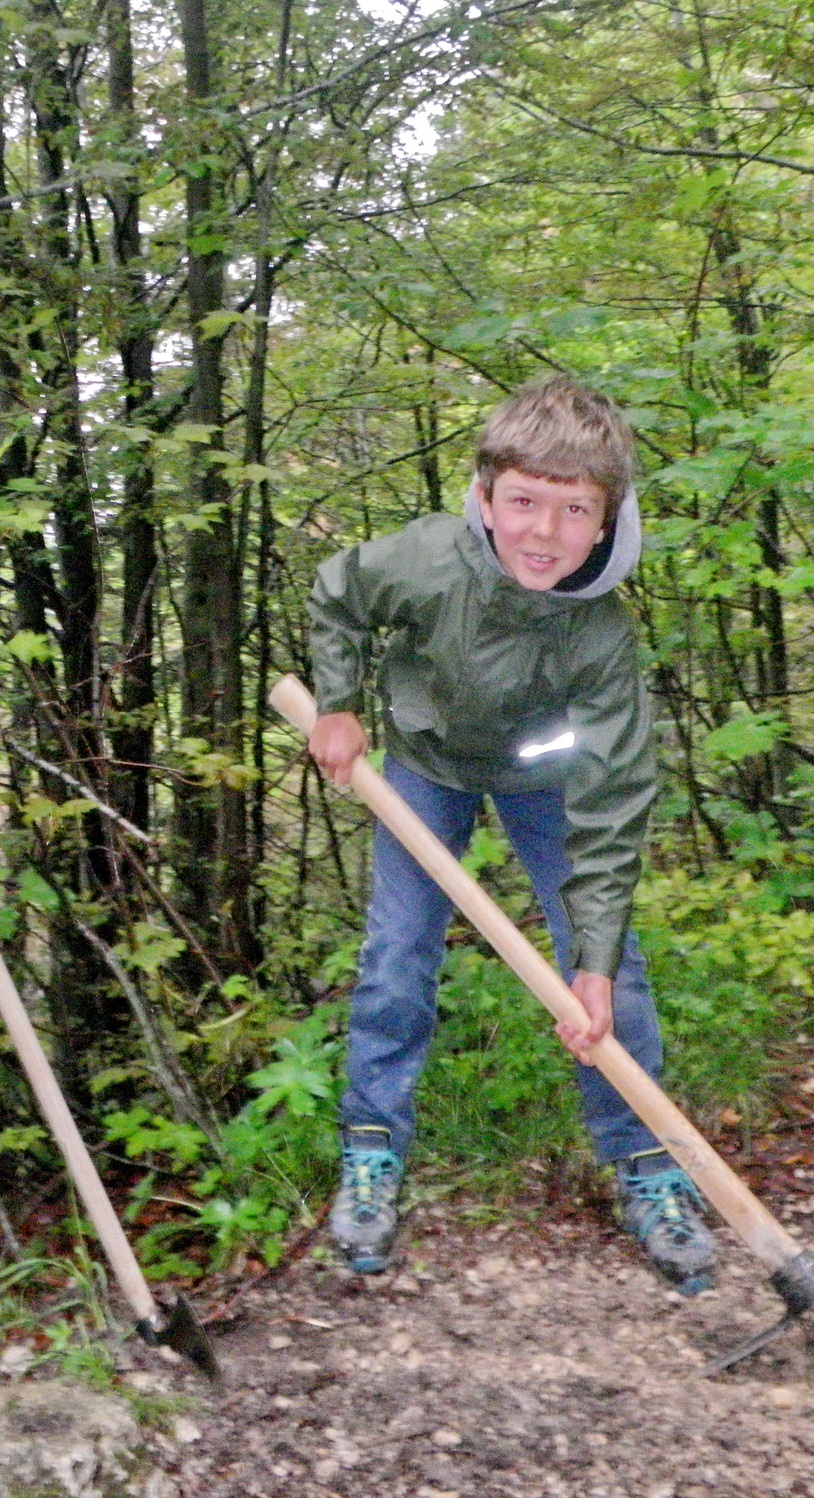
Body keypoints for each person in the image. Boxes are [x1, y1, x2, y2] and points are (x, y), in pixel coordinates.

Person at [304, 375, 716, 1293]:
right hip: (425, 767)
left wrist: (596, 957)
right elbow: (337, 592)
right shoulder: (424, 562)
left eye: (574, 511)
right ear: (484, 497)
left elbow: (614, 798)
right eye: (523, 501)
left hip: (547, 784)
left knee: (608, 969)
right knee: (399, 950)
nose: (543, 532)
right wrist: (337, 703)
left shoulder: (601, 637)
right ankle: (371, 1155)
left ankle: (647, 1168)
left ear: (606, 521)